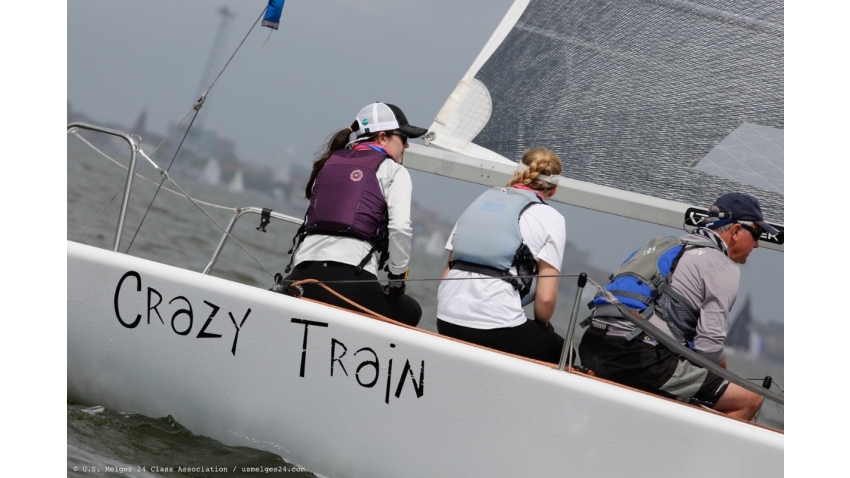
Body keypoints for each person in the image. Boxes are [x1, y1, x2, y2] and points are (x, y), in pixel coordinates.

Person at [579, 192, 778, 421]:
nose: (758, 244)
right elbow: (708, 349)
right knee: (749, 400)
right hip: (639, 356)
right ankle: (694, 455)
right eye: (757, 234)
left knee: (686, 380)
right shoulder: (723, 266)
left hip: (592, 343)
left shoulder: (663, 244)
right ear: (735, 231)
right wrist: (727, 378)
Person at [279, 102, 426, 326]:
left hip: (302, 274)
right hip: (352, 281)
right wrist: (396, 278)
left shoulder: (328, 163)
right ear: (383, 138)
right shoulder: (395, 170)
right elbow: (400, 228)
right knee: (411, 311)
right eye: (403, 137)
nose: (406, 145)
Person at [436, 148, 567, 364]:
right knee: (563, 352)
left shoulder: (480, 200)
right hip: (494, 326)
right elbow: (545, 299)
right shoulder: (551, 218)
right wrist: (542, 328)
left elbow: (447, 271)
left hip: (446, 319)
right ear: (554, 189)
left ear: (517, 174)